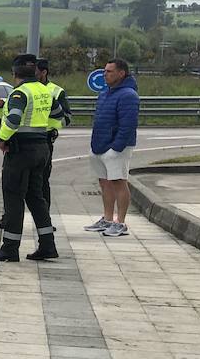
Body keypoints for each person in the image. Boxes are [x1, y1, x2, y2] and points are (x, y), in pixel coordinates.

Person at [0, 59, 56, 262]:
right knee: (36, 198)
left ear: (15, 74)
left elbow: (14, 119)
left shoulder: (20, 92)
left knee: (13, 198)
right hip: (41, 148)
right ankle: (47, 245)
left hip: (21, 152)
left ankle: (9, 248)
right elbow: (57, 115)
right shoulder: (44, 90)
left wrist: (2, 138)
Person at [84, 58, 139, 237]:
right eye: (104, 71)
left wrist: (116, 147)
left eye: (109, 71)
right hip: (100, 145)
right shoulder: (105, 93)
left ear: (121, 73)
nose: (104, 74)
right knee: (104, 181)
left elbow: (128, 124)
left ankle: (120, 222)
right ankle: (107, 219)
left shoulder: (128, 95)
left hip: (116, 148)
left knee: (118, 182)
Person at [36, 56, 73, 212]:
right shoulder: (23, 88)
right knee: (17, 182)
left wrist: (53, 128)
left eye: (35, 71)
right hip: (23, 140)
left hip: (44, 140)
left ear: (44, 72)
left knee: (42, 181)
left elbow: (66, 119)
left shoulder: (56, 91)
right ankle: (8, 219)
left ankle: (45, 220)